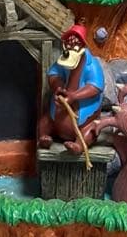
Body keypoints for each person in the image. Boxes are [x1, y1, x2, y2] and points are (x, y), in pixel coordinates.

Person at [37, 23, 104, 154]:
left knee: (91, 129)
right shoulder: (64, 59)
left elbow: (96, 85)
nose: (71, 45)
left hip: (83, 115)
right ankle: (44, 137)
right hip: (58, 111)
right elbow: (53, 74)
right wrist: (59, 87)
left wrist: (74, 96)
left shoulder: (91, 64)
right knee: (45, 120)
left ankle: (79, 145)